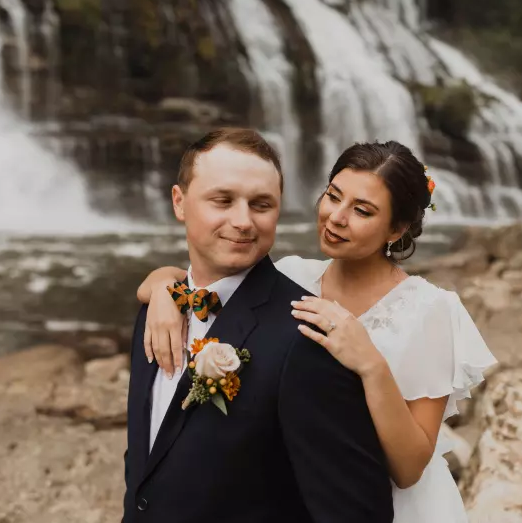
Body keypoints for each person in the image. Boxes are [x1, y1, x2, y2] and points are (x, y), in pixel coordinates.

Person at [138, 139, 498, 522]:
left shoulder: (430, 310)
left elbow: (409, 469)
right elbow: (203, 281)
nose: (336, 217)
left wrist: (371, 364)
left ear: (396, 229)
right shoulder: (290, 274)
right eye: (333, 196)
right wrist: (163, 287)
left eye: (362, 210)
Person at [121, 127, 394, 523]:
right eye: (223, 200)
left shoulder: (305, 339)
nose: (243, 221)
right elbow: (145, 463)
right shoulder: (156, 307)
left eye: (261, 204)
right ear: (179, 202)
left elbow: (357, 511)